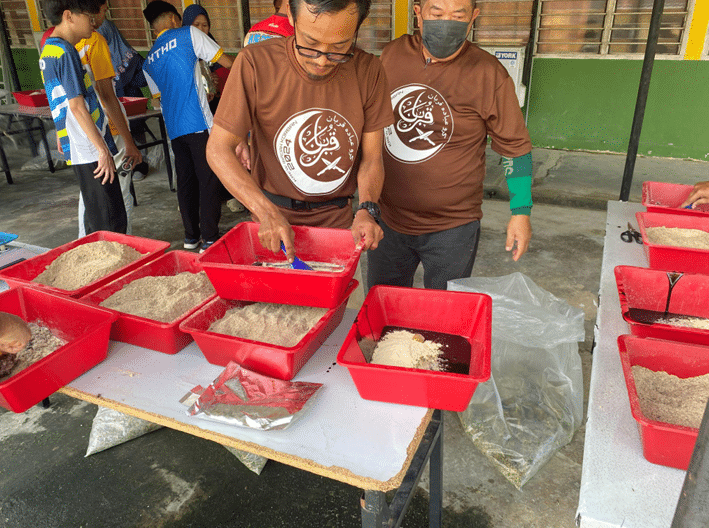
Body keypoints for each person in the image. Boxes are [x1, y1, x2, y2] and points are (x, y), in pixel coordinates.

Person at [205, 0, 393, 262]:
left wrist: (367, 209)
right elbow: (218, 148)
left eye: (339, 47)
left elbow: (372, 156)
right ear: (291, 18)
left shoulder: (369, 70)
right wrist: (265, 211)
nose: (322, 60)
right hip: (272, 223)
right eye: (310, 44)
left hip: (339, 225)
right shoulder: (255, 63)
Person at [367, 0, 533, 290]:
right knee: (383, 309)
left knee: (442, 318)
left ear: (473, 18)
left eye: (458, 15)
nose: (447, 22)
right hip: (388, 219)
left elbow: (515, 147)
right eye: (437, 13)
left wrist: (521, 212)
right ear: (418, 14)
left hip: (453, 228)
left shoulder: (488, 73)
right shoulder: (392, 55)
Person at [142, 0, 234, 252]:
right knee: (209, 180)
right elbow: (227, 63)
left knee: (186, 182)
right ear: (174, 18)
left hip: (174, 130)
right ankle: (211, 237)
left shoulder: (149, 60)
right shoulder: (188, 34)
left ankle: (191, 237)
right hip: (198, 123)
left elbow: (158, 98)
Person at [40, 0, 126, 234]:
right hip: (89, 146)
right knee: (111, 219)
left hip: (78, 143)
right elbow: (77, 106)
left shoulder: (50, 49)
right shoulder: (66, 52)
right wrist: (102, 150)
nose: (93, 23)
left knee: (97, 214)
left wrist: (62, 132)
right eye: (89, 17)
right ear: (69, 16)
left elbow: (58, 99)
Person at [76, 0, 142, 237]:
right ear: (90, 13)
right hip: (109, 129)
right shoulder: (96, 42)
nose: (105, 17)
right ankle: (124, 244)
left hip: (83, 131)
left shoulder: (60, 44)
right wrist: (129, 140)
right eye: (104, 10)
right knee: (120, 189)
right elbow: (107, 96)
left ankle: (85, 242)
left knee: (91, 192)